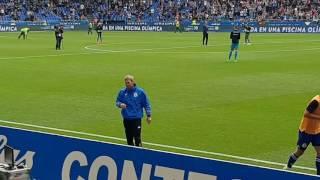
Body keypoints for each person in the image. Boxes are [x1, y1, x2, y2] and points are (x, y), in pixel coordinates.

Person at [284, 95, 320, 175]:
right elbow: (306, 113)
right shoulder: (316, 101)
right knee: (300, 152)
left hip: (317, 131)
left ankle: (318, 175)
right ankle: (289, 165)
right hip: (305, 131)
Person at [116, 75, 152, 147]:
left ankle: (139, 153)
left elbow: (146, 104)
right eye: (126, 83)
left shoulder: (140, 92)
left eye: (128, 82)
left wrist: (149, 116)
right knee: (129, 138)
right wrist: (120, 105)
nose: (127, 84)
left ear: (133, 82)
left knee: (137, 138)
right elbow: (117, 101)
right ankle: (130, 155)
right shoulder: (122, 92)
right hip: (126, 118)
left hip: (136, 118)